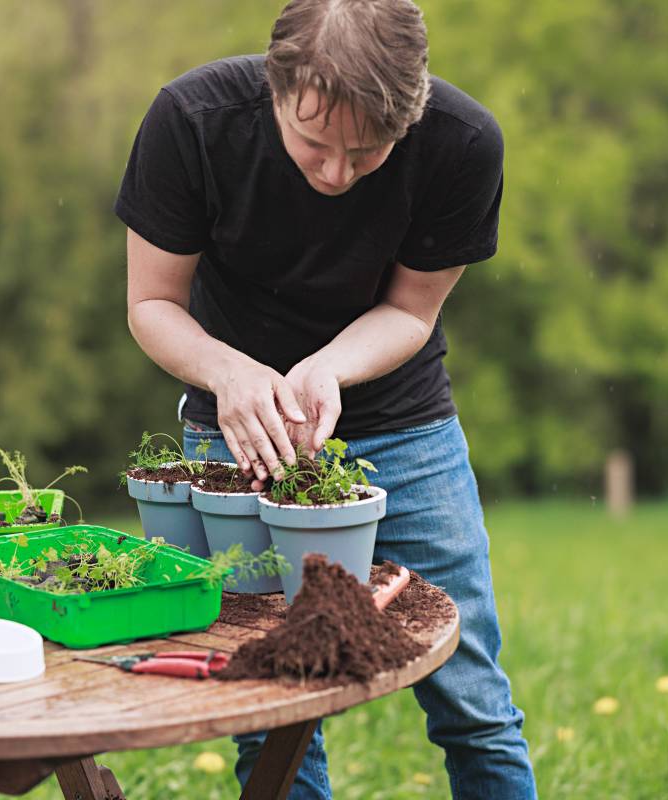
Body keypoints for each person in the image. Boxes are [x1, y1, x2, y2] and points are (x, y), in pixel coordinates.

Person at [115, 0, 536, 797]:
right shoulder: (194, 121)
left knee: (473, 703)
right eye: (314, 142)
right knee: (274, 703)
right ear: (276, 87)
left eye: (368, 151)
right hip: (238, 433)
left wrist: (330, 369)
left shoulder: (462, 143)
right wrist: (233, 374)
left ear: (410, 117)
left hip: (406, 431)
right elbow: (152, 304)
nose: (337, 174)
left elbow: (412, 310)